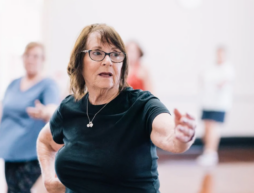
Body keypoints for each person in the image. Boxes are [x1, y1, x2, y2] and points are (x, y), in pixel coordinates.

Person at [37, 23, 196, 193]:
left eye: (115, 54)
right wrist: (48, 177)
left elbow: (169, 136)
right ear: (79, 61)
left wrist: (181, 136)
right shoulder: (69, 108)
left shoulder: (142, 105)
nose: (108, 61)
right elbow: (44, 141)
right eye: (97, 53)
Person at [0, 42, 60, 192]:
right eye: (28, 55)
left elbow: (53, 110)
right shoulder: (13, 84)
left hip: (31, 155)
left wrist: (44, 112)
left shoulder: (48, 84)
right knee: (11, 189)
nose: (31, 59)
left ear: (43, 60)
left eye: (36, 56)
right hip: (10, 153)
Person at [196, 47, 235, 166]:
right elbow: (203, 79)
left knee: (214, 128)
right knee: (207, 129)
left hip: (219, 104)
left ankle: (211, 153)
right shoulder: (211, 68)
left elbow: (221, 84)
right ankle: (207, 151)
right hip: (207, 102)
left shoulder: (228, 69)